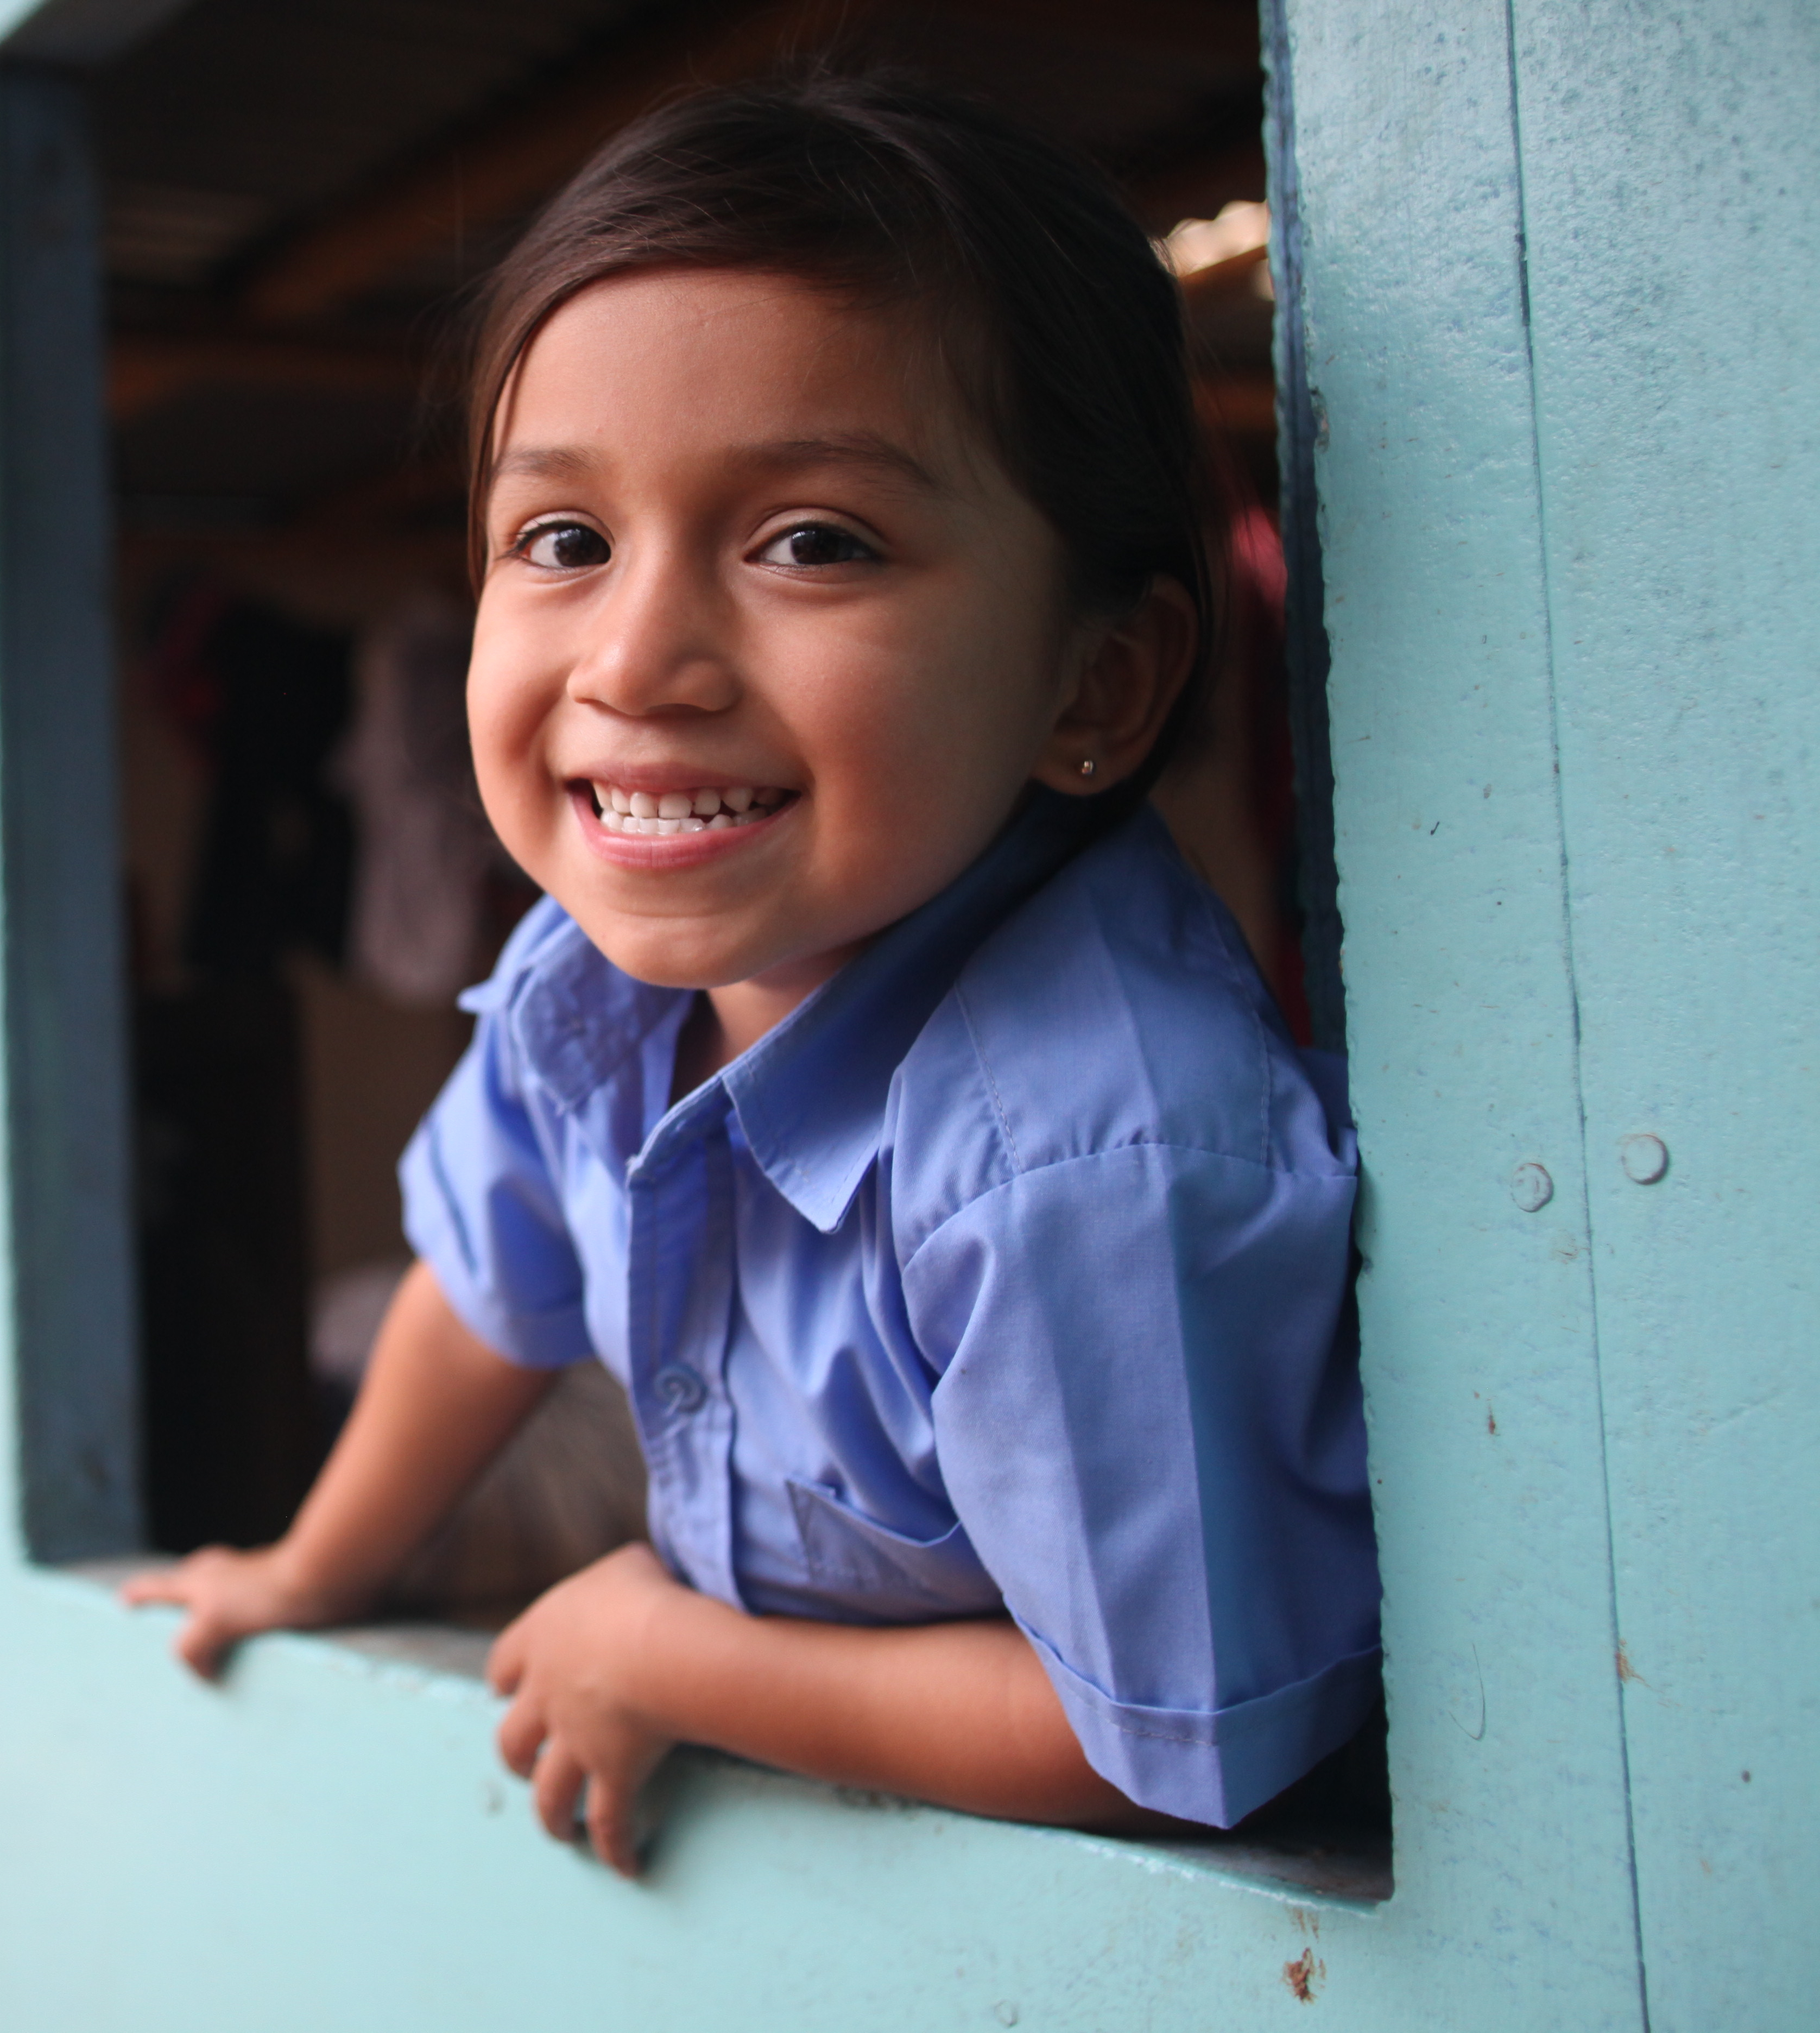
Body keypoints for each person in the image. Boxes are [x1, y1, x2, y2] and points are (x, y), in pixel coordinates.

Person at [123, 73, 1377, 1877]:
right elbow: (482, 1291)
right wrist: (309, 1569)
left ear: (1095, 681)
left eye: (812, 542)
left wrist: (675, 1659)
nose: (637, 660)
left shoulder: (1077, 1160)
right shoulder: (583, 983)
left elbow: (1169, 1744)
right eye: (564, 541)